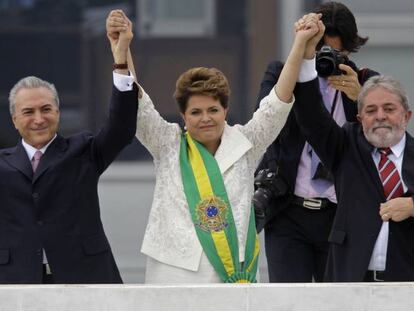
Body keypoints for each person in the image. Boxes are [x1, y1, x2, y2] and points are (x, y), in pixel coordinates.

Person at [106, 10, 319, 283]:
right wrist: (122, 53)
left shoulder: (246, 144)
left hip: (229, 273)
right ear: (183, 116)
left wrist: (300, 44)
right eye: (195, 112)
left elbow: (277, 104)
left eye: (213, 110)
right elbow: (137, 106)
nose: (205, 118)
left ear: (225, 110)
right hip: (173, 273)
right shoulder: (168, 143)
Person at [0, 10, 137, 284]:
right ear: (14, 120)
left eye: (46, 109)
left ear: (59, 113)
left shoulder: (83, 151)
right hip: (17, 282)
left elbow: (121, 127)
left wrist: (120, 59)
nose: (38, 119)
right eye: (28, 112)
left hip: (84, 276)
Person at [254, 1, 379, 282]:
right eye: (321, 50)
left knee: (336, 300)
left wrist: (360, 99)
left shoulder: (367, 82)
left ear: (349, 48)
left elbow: (381, 142)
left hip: (339, 215)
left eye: (336, 52)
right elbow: (264, 120)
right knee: (288, 301)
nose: (327, 59)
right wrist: (301, 65)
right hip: (288, 211)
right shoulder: (282, 73)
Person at [294, 14, 414, 282]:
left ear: (407, 116)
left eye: (389, 109)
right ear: (360, 119)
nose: (380, 116)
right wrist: (305, 56)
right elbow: (312, 118)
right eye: (371, 110)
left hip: (407, 285)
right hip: (350, 283)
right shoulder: (346, 147)